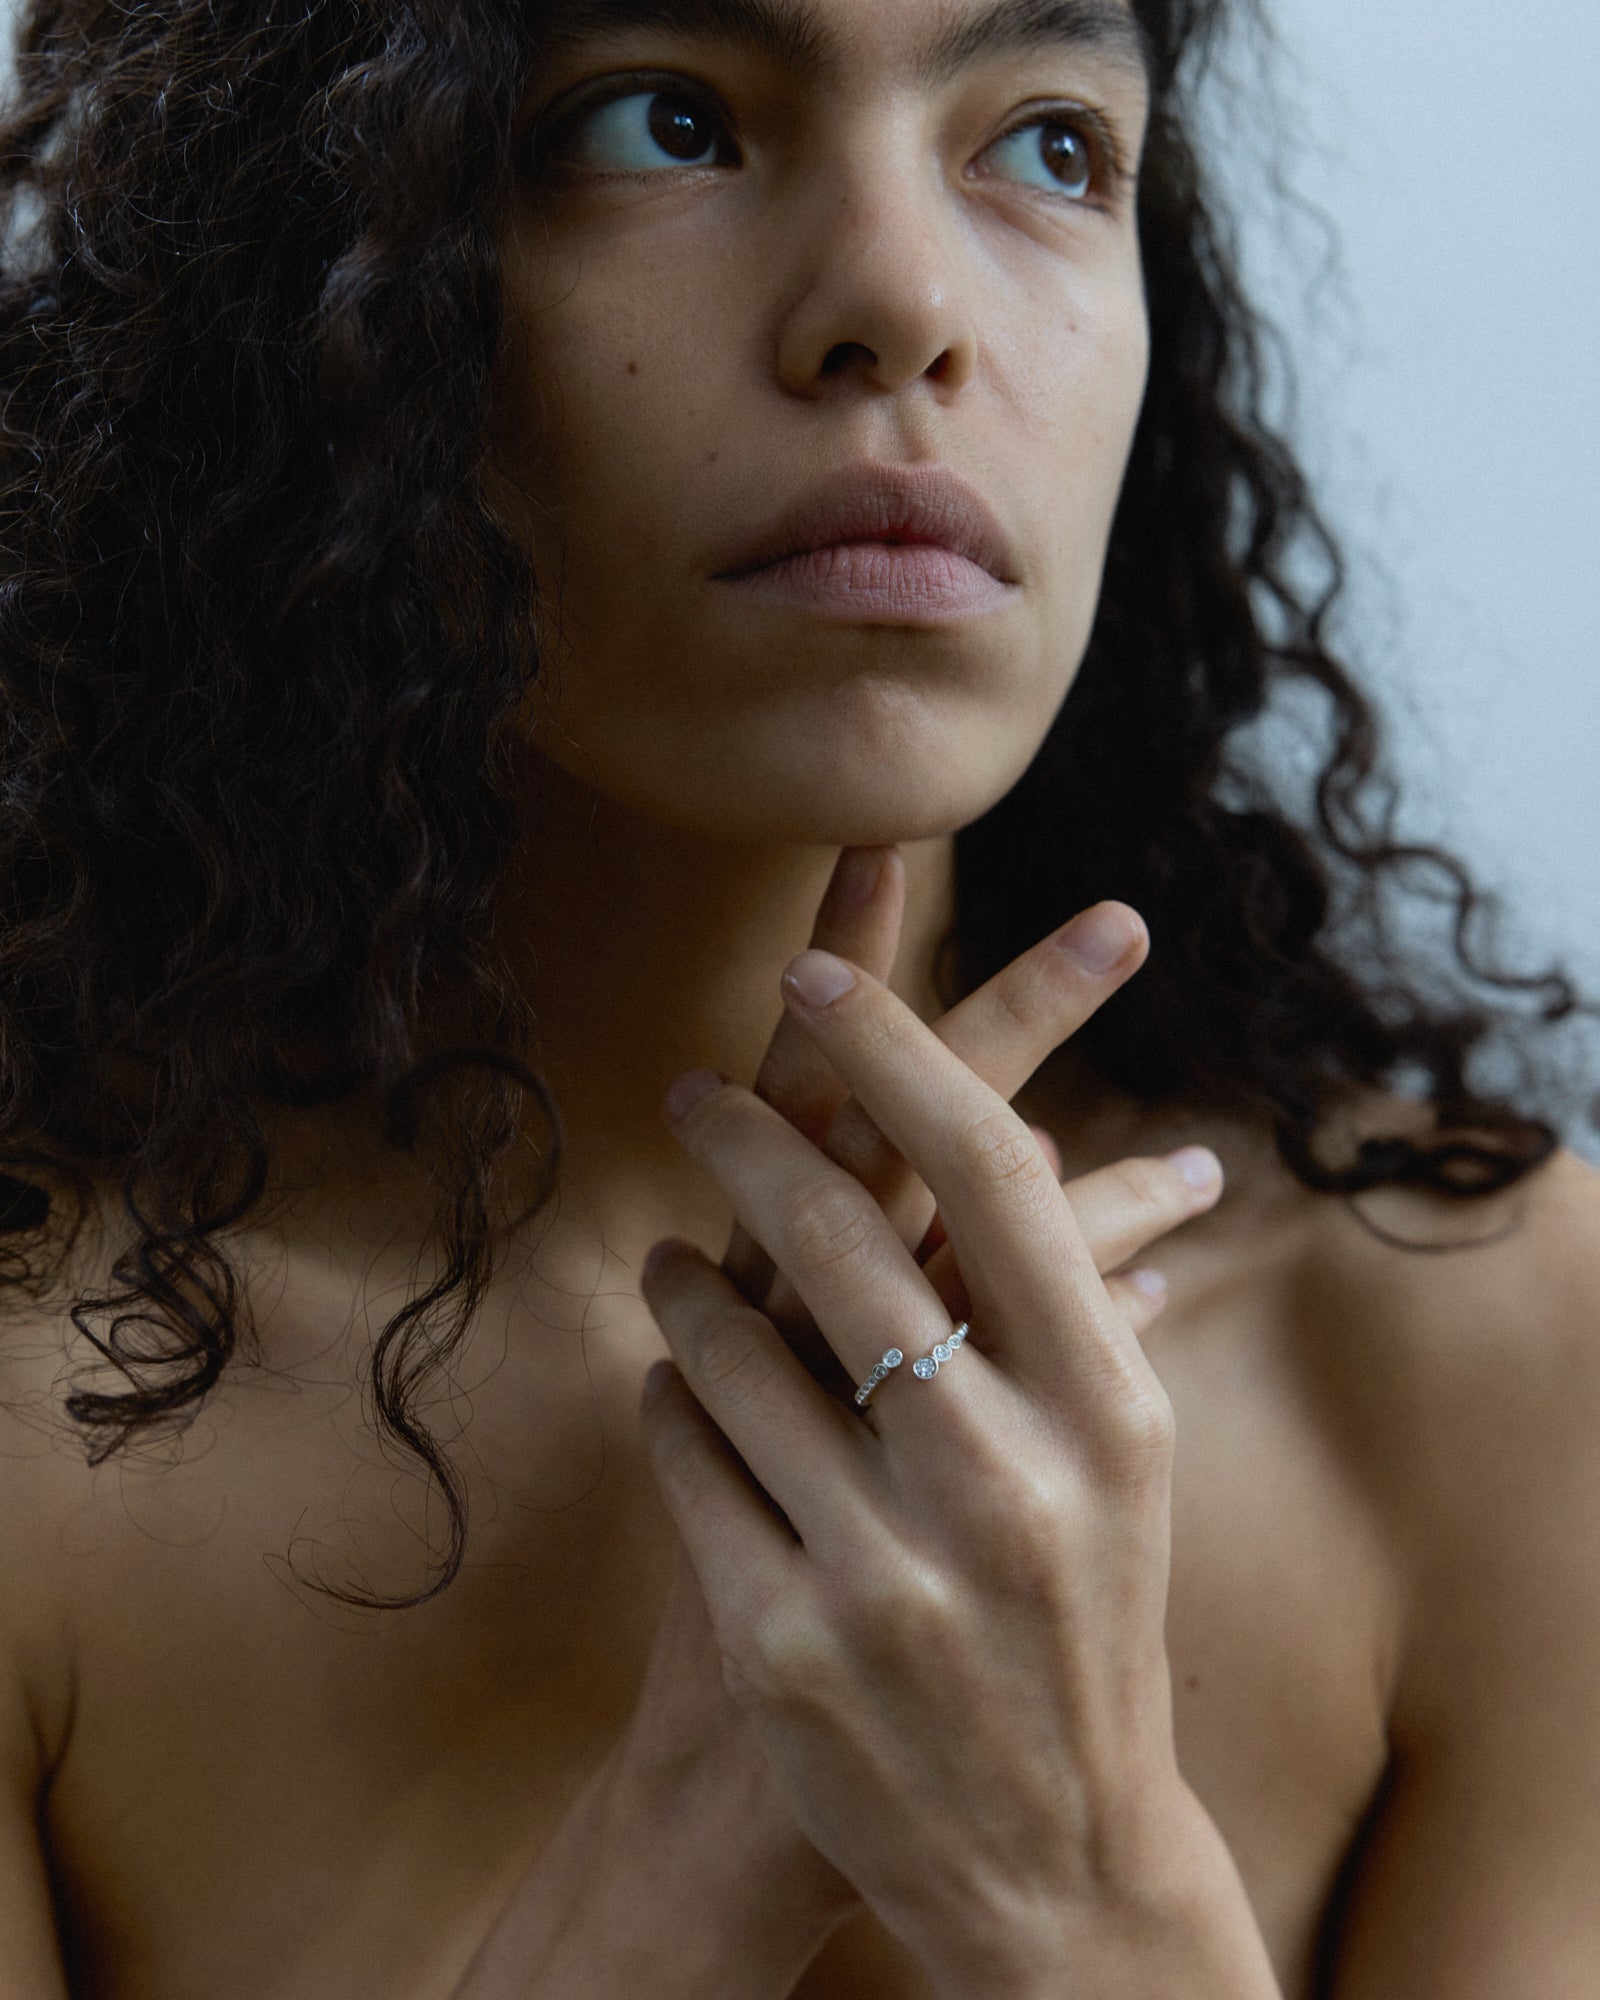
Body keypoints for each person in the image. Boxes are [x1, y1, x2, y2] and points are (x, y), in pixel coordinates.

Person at [0, 0, 1597, 1993]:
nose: (902, 306)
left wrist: (1090, 1894)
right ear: (288, 280)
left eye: (1046, 143)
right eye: (662, 123)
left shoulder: (1494, 1349)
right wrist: (685, 1852)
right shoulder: (36, 1434)